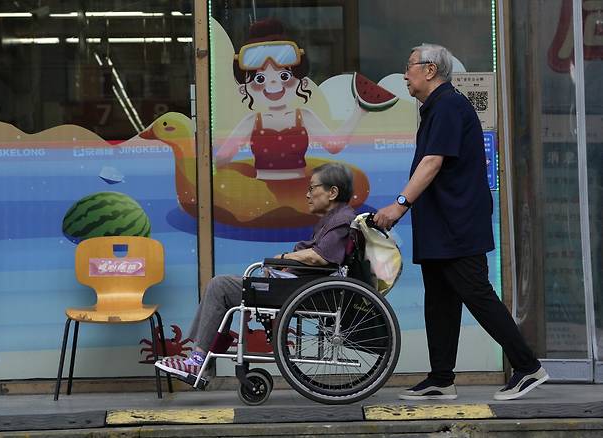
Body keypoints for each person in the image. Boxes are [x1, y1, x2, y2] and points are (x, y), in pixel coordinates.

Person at [373, 44, 548, 401]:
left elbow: (432, 162)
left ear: (431, 70)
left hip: (458, 223)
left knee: (476, 293)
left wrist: (400, 205)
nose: (405, 74)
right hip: (440, 223)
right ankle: (441, 378)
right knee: (439, 299)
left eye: (409, 67)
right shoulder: (435, 108)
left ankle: (528, 367)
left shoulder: (450, 106)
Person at [155, 162, 356, 382]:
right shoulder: (336, 219)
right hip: (296, 285)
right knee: (223, 287)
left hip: (298, 291)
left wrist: (282, 259)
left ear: (332, 192)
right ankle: (202, 361)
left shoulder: (342, 220)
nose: (307, 194)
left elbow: (319, 257)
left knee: (219, 286)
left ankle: (198, 361)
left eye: (312, 188)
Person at [214, 17, 365, 180]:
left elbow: (334, 146)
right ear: (244, 89)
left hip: (299, 191)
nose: (272, 83)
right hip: (261, 191)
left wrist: (359, 110)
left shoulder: (303, 116)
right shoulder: (252, 120)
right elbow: (222, 158)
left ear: (303, 82)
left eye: (284, 76)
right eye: (260, 79)